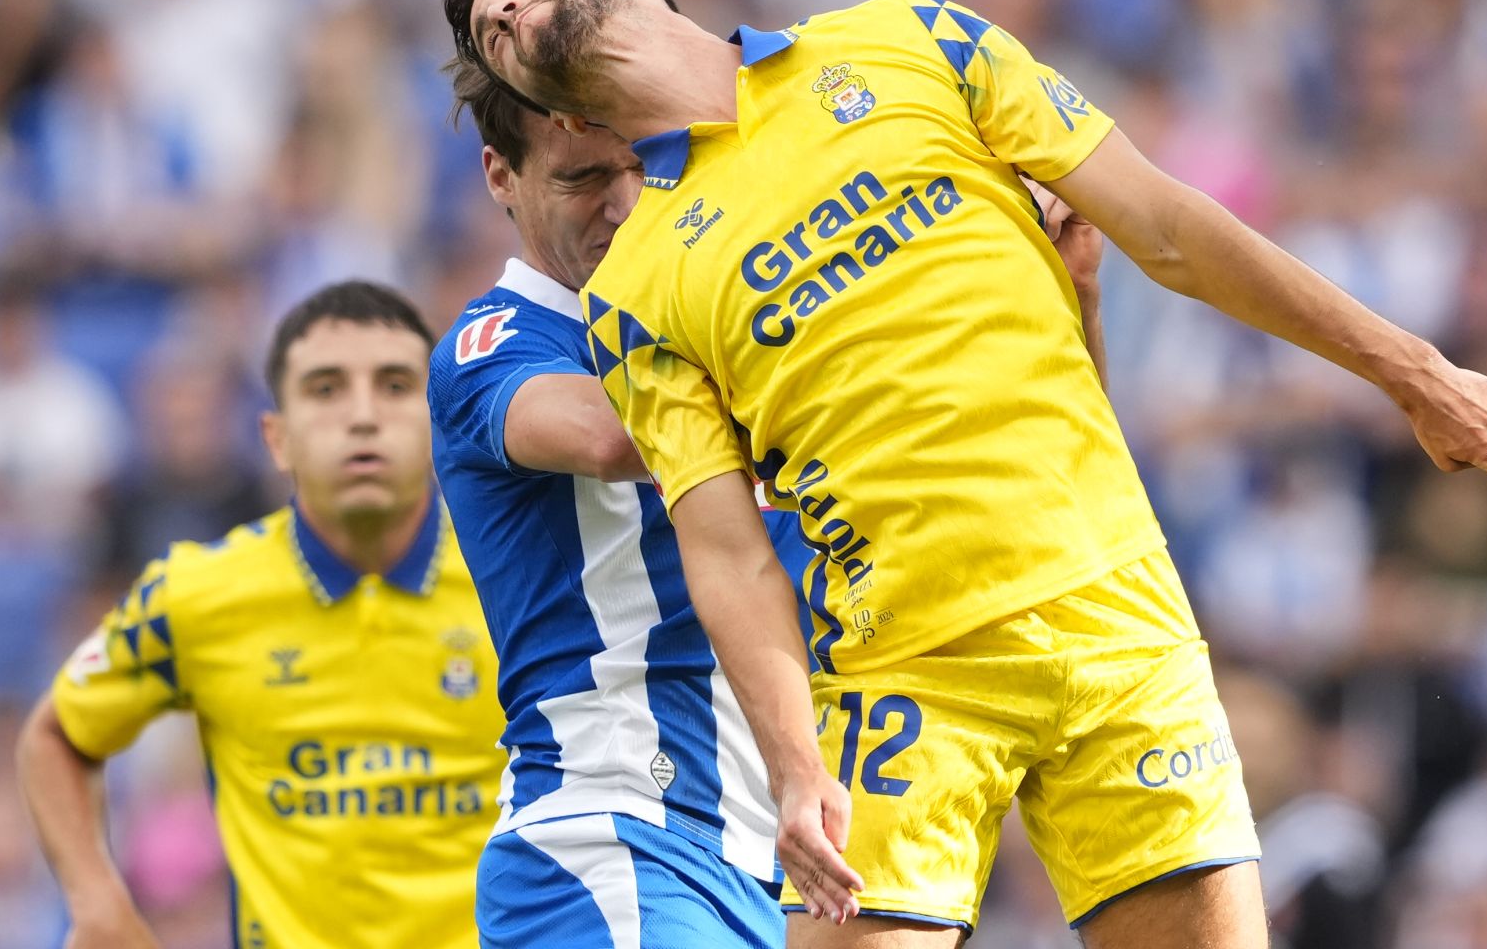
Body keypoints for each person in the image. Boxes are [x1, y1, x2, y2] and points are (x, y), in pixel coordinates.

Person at [441, 0, 1487, 947]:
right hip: (906, 677)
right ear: (554, 113)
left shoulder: (909, 38)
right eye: (496, 29)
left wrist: (1417, 372)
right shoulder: (633, 287)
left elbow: (1166, 228)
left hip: (1118, 618)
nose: (507, 7)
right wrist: (794, 767)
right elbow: (726, 550)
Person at [430, 48, 1107, 947]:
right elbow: (612, 436)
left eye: (639, 166)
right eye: (583, 179)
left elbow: (1037, 467)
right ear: (501, 177)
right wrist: (869, 324)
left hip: (793, 857)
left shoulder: (736, 325)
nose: (625, 206)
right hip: (619, 837)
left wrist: (1067, 294)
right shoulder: (494, 343)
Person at [15, 281, 505, 949]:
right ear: (277, 438)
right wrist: (97, 902)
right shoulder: (198, 593)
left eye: (395, 386)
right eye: (326, 389)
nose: (363, 416)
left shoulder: (518, 581)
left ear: (438, 421)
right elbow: (55, 736)